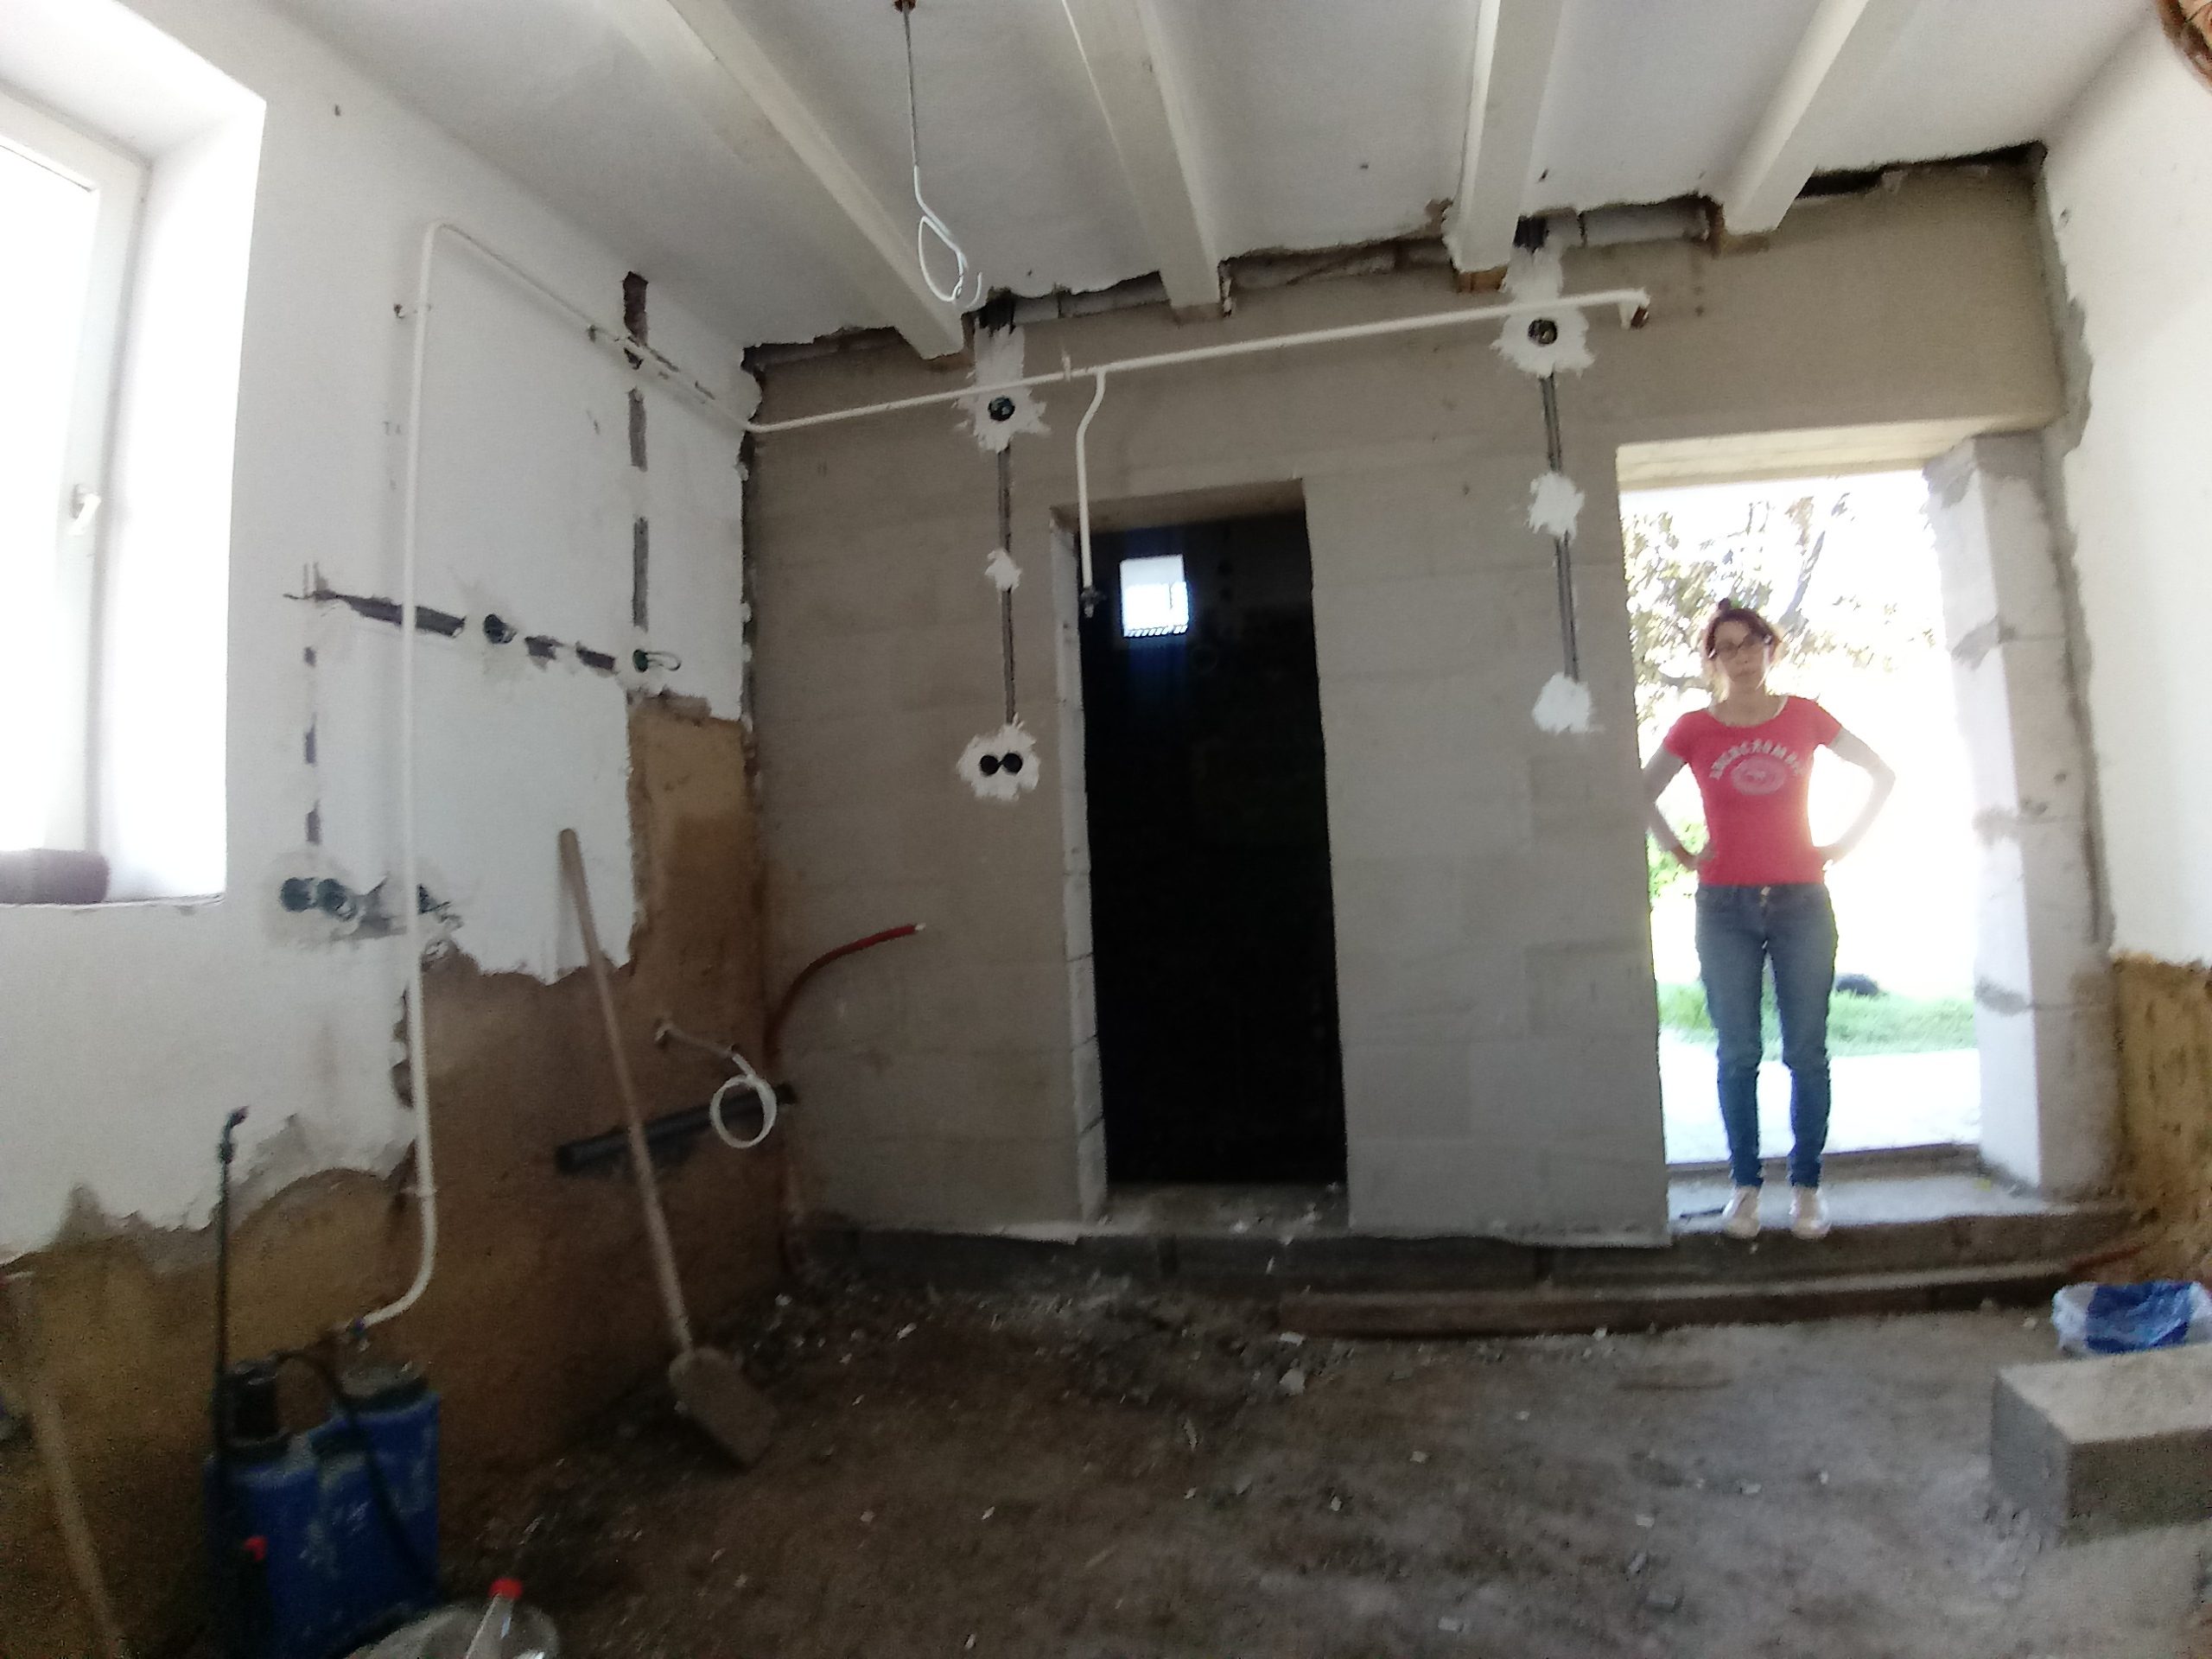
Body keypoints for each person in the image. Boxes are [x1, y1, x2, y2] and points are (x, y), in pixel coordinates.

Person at [1643, 602, 1895, 1241]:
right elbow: (1639, 790)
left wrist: (1844, 844)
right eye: (1726, 648)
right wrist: (1679, 851)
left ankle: (1806, 1187)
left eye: (1750, 643)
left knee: (1806, 1050)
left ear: (1769, 647)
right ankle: (1745, 1188)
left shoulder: (1804, 716)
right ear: (1713, 660)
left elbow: (1881, 773)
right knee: (1738, 1052)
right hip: (1723, 907)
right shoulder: (1695, 728)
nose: (1741, 657)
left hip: (1801, 903)